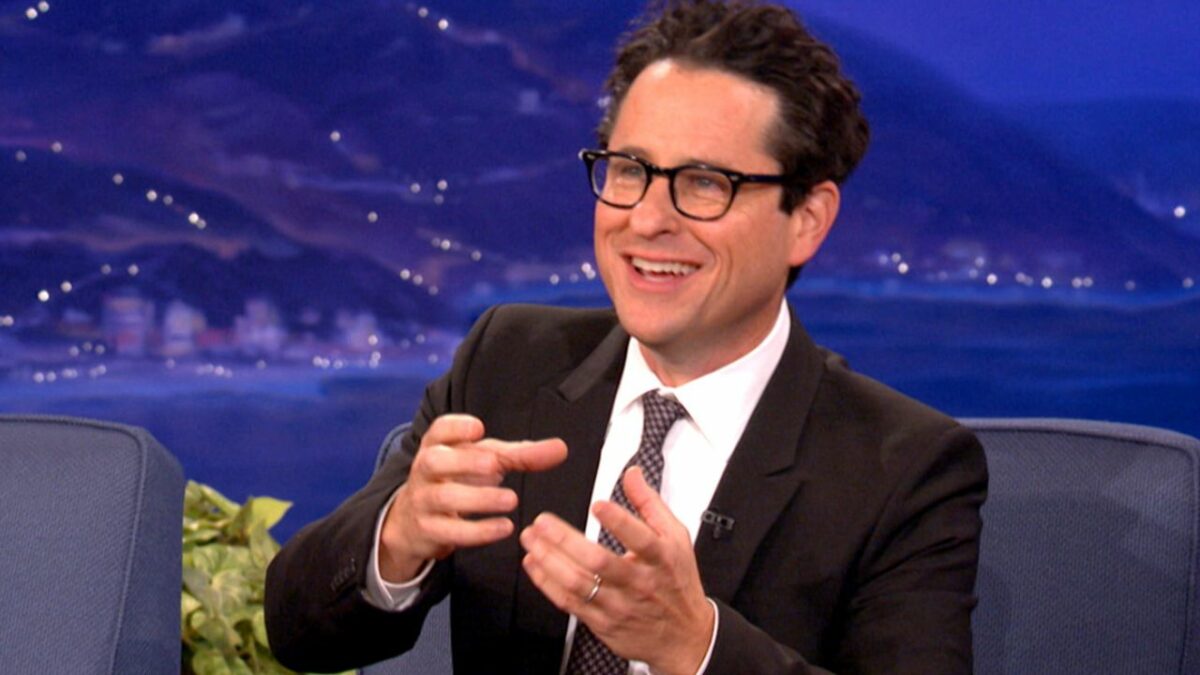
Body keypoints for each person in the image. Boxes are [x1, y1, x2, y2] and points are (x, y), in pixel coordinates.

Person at [265, 1, 987, 673]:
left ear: (807, 219)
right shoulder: (507, 361)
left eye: (704, 182)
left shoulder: (905, 469)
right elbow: (295, 630)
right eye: (629, 170)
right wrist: (397, 537)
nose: (645, 219)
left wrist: (696, 645)